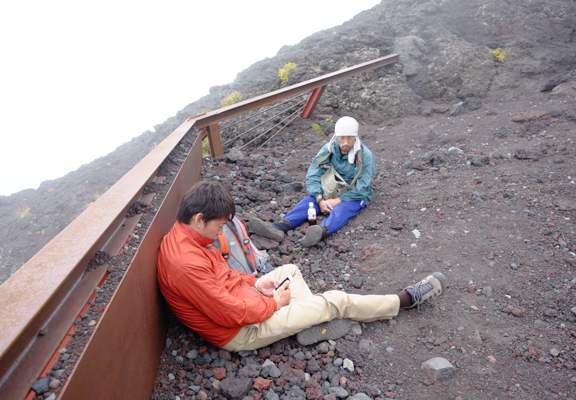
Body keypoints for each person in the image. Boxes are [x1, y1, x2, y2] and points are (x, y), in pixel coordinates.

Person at [157, 181, 447, 352]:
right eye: (219, 227)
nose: (221, 235)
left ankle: (312, 323)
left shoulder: (185, 236)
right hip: (240, 331)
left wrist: (256, 284)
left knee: (289, 271)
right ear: (198, 218)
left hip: (245, 300)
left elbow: (223, 274)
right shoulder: (185, 264)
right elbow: (230, 314)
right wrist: (274, 304)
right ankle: (403, 300)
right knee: (335, 300)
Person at [249, 116, 376, 248]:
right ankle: (279, 227)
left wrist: (337, 201)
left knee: (342, 210)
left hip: (353, 195)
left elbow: (362, 187)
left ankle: (319, 232)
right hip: (331, 189)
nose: (345, 142)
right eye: (341, 138)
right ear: (336, 136)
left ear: (355, 136)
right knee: (309, 203)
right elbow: (313, 175)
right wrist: (320, 199)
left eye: (350, 138)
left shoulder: (366, 156)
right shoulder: (328, 149)